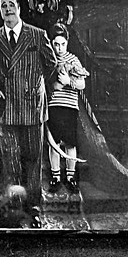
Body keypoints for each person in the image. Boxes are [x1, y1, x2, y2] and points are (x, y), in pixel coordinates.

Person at [0, 0, 56, 215]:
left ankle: (34, 204)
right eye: (3, 5)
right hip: (6, 107)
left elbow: (52, 64)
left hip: (31, 106)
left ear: (19, 7)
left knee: (33, 158)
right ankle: (15, 205)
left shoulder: (37, 35)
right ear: (0, 11)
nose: (7, 8)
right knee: (10, 159)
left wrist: (36, 87)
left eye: (11, 4)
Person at [45, 23, 88, 193]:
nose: (60, 48)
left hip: (70, 106)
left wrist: (68, 82)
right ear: (51, 43)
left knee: (70, 142)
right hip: (54, 105)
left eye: (63, 44)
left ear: (67, 43)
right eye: (56, 44)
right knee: (54, 143)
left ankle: (70, 177)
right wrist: (55, 84)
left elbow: (82, 84)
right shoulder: (48, 58)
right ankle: (55, 177)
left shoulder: (73, 59)